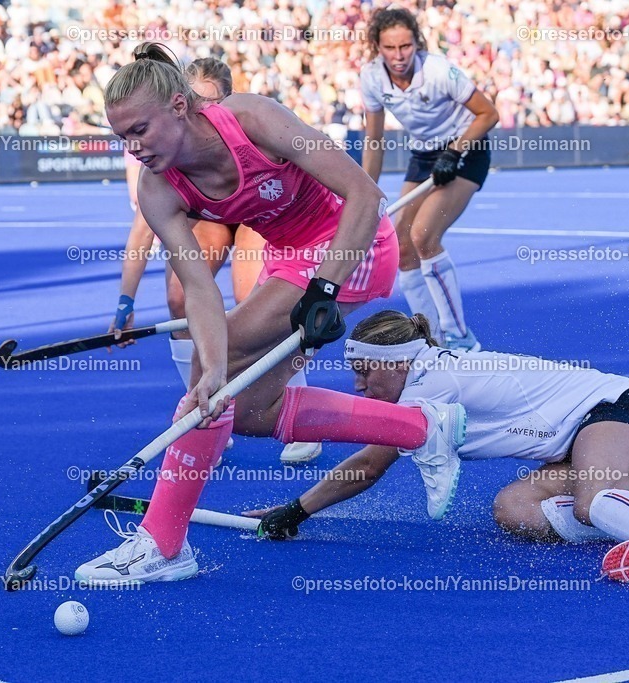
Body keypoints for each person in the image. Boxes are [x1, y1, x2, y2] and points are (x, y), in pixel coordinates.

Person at [74, 44, 467, 586]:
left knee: (225, 365)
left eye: (140, 130)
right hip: (289, 255)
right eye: (123, 138)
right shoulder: (157, 189)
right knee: (251, 409)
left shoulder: (254, 119)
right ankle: (420, 425)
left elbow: (363, 192)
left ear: (180, 107)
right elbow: (198, 289)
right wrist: (212, 368)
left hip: (350, 242)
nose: (133, 148)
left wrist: (324, 288)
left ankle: (164, 540)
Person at [248, 310, 629, 584]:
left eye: (365, 371)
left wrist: (296, 511)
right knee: (514, 509)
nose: (358, 386)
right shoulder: (421, 380)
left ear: (397, 363)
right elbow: (369, 460)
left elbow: (369, 464)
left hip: (619, 412)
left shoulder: (430, 386)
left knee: (591, 505)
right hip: (579, 445)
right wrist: (296, 511)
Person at [112, 57, 323, 465]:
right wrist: (126, 301)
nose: (198, 111)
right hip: (213, 217)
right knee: (178, 295)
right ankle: (203, 407)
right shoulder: (165, 163)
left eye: (207, 102)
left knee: (255, 305)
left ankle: (297, 410)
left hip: (262, 215)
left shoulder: (246, 125)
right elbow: (143, 233)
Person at [360, 8, 498, 351]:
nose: (398, 56)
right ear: (377, 46)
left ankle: (462, 339)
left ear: (416, 43)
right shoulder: (371, 77)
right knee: (402, 246)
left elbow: (488, 113)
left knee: (423, 236)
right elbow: (374, 142)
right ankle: (433, 342)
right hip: (423, 157)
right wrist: (364, 193)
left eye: (405, 46)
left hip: (466, 151)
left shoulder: (437, 70)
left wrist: (454, 151)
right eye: (389, 48)